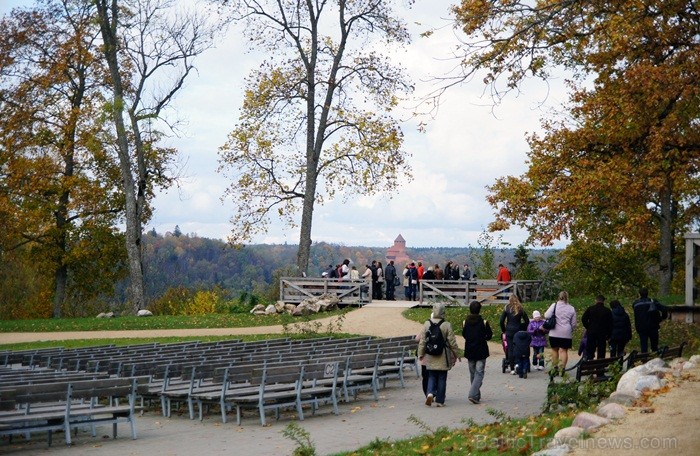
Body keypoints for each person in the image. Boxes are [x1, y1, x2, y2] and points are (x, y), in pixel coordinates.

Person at [417, 302, 460, 407]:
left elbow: (423, 341)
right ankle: (440, 400)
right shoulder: (446, 325)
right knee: (442, 377)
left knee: (431, 375)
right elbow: (452, 342)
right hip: (443, 355)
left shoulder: (427, 324)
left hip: (430, 354)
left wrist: (420, 353)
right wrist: (456, 354)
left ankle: (430, 393)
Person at [462, 300, 492, 404]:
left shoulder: (465, 322)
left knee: (473, 373)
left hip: (470, 350)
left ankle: (476, 395)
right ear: (479, 310)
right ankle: (473, 393)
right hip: (481, 350)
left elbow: (464, 335)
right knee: (479, 373)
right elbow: (489, 335)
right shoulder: (484, 322)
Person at [544, 291, 577, 376]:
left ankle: (554, 368)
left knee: (555, 350)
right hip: (566, 333)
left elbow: (546, 315)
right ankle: (562, 369)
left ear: (559, 297)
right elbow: (573, 323)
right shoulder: (571, 308)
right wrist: (571, 329)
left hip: (554, 332)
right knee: (564, 351)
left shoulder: (554, 305)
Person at [499, 294, 529, 374]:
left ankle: (512, 368)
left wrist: (504, 330)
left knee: (510, 348)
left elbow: (501, 321)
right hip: (518, 330)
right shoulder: (520, 308)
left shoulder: (507, 308)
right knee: (517, 347)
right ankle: (517, 364)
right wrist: (523, 328)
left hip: (509, 330)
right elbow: (527, 321)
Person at [632, 287, 668, 353]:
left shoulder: (635, 304)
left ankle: (644, 359)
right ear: (647, 293)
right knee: (654, 346)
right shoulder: (653, 302)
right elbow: (664, 309)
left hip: (641, 327)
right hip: (653, 326)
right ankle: (655, 358)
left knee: (643, 346)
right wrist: (662, 318)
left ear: (639, 294)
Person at [581, 294, 613, 360]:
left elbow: (583, 319)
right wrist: (609, 334)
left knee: (590, 349)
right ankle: (600, 366)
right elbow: (611, 324)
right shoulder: (607, 311)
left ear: (596, 300)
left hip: (591, 332)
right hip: (602, 333)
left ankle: (590, 364)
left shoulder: (590, 309)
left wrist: (588, 327)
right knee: (601, 350)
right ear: (603, 301)